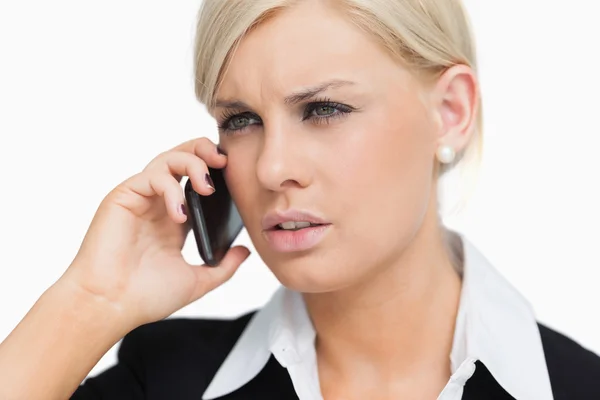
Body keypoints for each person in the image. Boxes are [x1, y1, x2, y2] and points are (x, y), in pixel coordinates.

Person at [1, 0, 599, 399]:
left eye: (325, 110)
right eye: (241, 120)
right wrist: (90, 302)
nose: (272, 167)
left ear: (450, 113)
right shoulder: (166, 381)